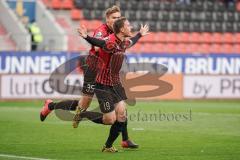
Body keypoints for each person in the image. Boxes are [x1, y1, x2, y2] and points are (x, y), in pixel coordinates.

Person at [39, 6, 138, 149]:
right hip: (93, 70)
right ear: (107, 19)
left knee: (120, 108)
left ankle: (125, 139)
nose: (117, 20)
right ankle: (51, 106)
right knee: (83, 105)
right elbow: (98, 47)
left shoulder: (118, 33)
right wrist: (105, 41)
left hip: (106, 73)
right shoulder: (102, 31)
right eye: (114, 18)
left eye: (118, 17)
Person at [76, 17, 149, 152]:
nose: (130, 27)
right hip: (102, 84)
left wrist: (140, 34)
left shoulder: (124, 42)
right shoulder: (110, 42)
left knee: (121, 116)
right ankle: (83, 114)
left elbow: (131, 42)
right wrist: (86, 37)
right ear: (122, 29)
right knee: (109, 120)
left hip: (115, 84)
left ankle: (107, 146)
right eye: (128, 25)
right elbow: (99, 42)